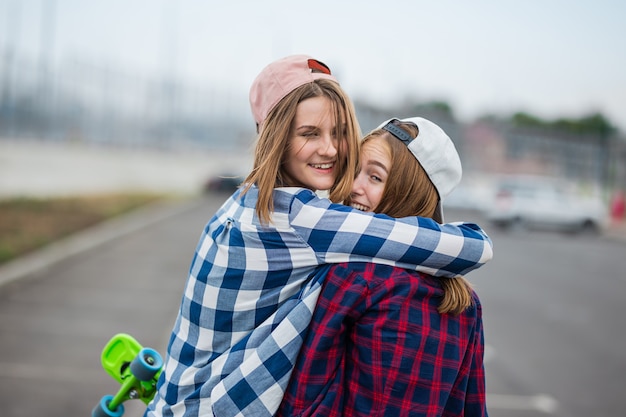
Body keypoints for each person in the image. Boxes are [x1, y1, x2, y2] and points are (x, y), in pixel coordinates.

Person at [145, 55, 493, 417]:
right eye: (310, 133)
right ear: (277, 137)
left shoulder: (241, 202)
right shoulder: (304, 219)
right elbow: (474, 248)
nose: (329, 149)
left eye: (340, 133)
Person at [278, 117, 488, 416]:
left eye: (374, 178)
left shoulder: (351, 278)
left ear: (409, 191)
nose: (353, 187)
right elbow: (469, 408)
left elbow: (306, 397)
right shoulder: (466, 302)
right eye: (354, 171)